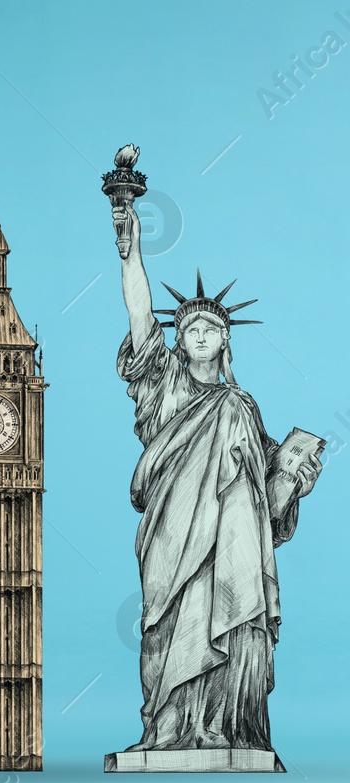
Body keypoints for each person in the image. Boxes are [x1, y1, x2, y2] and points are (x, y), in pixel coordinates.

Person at [111, 200, 320, 754]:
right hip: (172, 536)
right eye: (191, 328)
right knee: (166, 625)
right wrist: (131, 253)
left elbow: (267, 503)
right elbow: (139, 311)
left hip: (231, 548)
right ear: (176, 341)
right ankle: (168, 727)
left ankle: (221, 728)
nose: (201, 335)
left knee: (225, 615)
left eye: (212, 328)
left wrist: (296, 476)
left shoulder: (242, 408)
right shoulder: (162, 387)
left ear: (226, 340)